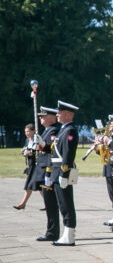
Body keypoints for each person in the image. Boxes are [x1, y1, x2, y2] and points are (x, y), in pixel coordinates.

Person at [51, 100, 79, 247]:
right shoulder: (63, 129)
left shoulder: (70, 130)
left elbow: (68, 155)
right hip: (57, 171)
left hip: (63, 172)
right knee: (62, 204)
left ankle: (69, 235)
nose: (57, 115)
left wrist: (64, 173)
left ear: (67, 114)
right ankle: (66, 234)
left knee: (66, 204)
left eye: (59, 112)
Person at [33, 107, 61, 242]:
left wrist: (43, 144)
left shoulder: (54, 130)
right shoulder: (47, 130)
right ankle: (51, 231)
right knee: (48, 203)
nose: (41, 118)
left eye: (44, 116)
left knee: (51, 203)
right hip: (44, 169)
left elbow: (52, 149)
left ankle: (52, 232)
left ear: (52, 117)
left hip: (49, 170)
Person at [14, 124, 38, 210]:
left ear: (33, 131)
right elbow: (26, 150)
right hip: (30, 164)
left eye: (28, 131)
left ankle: (22, 204)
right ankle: (49, 204)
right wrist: (24, 151)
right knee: (38, 186)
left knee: (29, 185)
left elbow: (39, 152)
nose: (27, 133)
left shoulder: (37, 140)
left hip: (36, 165)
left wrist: (31, 153)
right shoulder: (27, 140)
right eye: (25, 132)